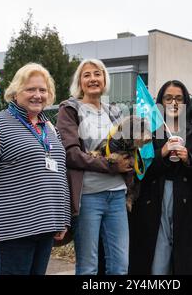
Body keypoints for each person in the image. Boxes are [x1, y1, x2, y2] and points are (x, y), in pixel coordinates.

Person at [0, 63, 70, 275]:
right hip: (13, 229)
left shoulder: (49, 127)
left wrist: (62, 217)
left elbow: (59, 174)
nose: (37, 95)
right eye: (30, 89)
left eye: (42, 90)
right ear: (15, 93)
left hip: (46, 224)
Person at [128, 80, 192, 275]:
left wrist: (189, 159)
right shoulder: (148, 132)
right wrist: (163, 153)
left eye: (179, 98)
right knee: (157, 258)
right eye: (168, 98)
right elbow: (140, 171)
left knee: (187, 259)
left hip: (189, 202)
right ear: (160, 102)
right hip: (155, 199)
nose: (174, 102)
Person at [56, 59, 132, 275]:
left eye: (97, 74)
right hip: (88, 197)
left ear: (104, 79)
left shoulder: (115, 112)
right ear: (79, 81)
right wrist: (111, 166)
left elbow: (127, 149)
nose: (93, 79)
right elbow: (71, 155)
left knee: (120, 267)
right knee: (88, 267)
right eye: (87, 75)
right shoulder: (70, 109)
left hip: (117, 196)